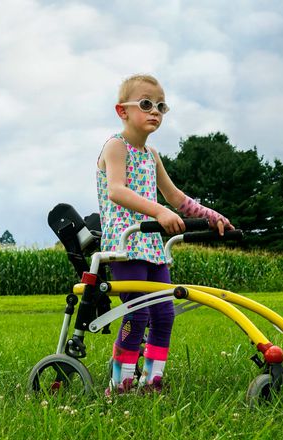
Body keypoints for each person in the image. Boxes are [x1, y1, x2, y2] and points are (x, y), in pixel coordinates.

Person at [97, 74, 233, 395]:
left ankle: (152, 381)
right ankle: (120, 385)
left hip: (154, 248)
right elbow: (117, 191)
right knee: (138, 312)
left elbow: (175, 197)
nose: (155, 111)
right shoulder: (116, 147)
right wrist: (157, 211)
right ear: (123, 111)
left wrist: (211, 217)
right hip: (126, 244)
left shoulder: (152, 155)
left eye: (161, 106)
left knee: (164, 313)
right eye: (146, 104)